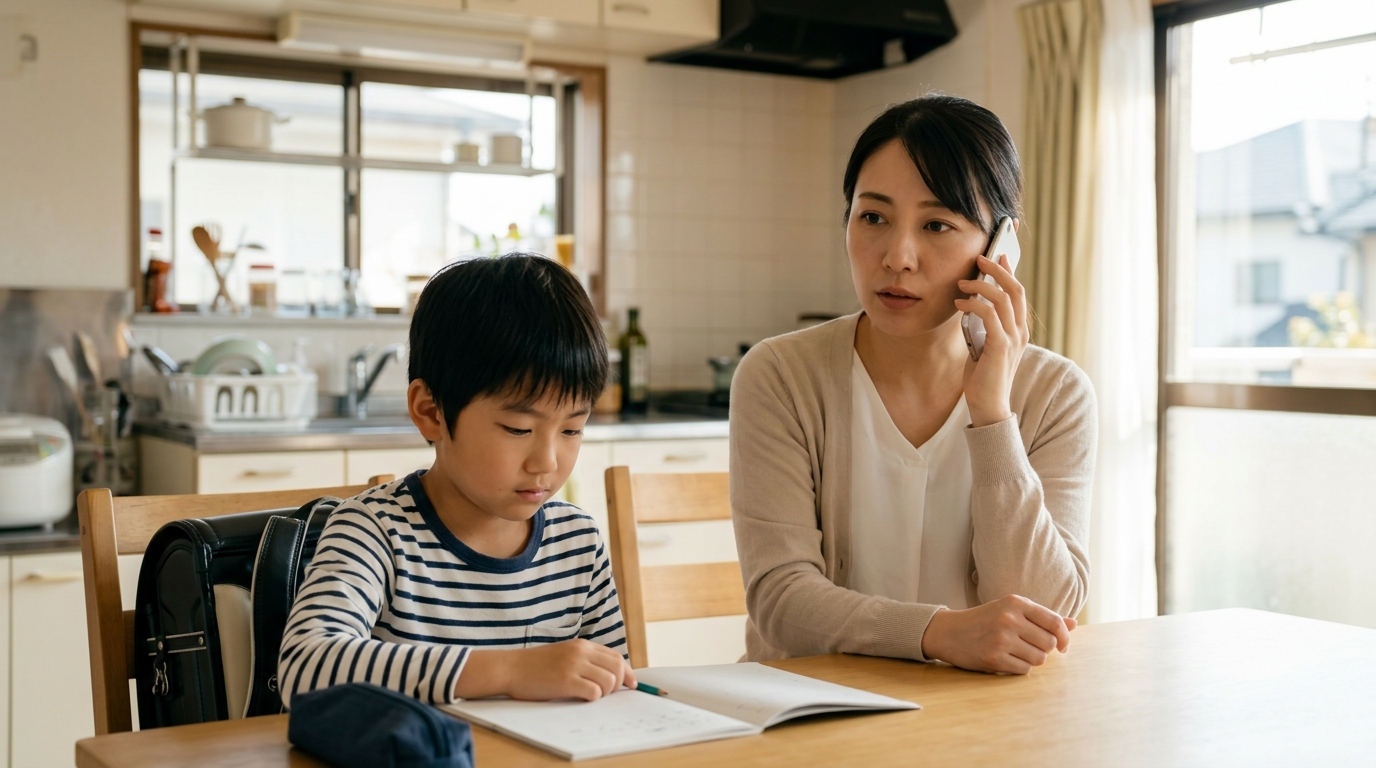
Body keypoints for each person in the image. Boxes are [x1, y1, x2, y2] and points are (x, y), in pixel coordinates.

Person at [730, 95, 1096, 675]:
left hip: (980, 725)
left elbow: (1046, 611)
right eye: (872, 217)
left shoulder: (1055, 394)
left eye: (937, 225)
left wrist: (993, 415)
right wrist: (937, 633)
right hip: (814, 720)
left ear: (1000, 248)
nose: (897, 257)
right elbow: (781, 601)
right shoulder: (779, 375)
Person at [279, 254, 634, 705]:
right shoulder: (375, 532)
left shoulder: (576, 543)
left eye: (571, 429)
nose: (546, 462)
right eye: (518, 429)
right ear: (430, 412)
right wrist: (509, 669)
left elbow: (616, 693)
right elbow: (306, 668)